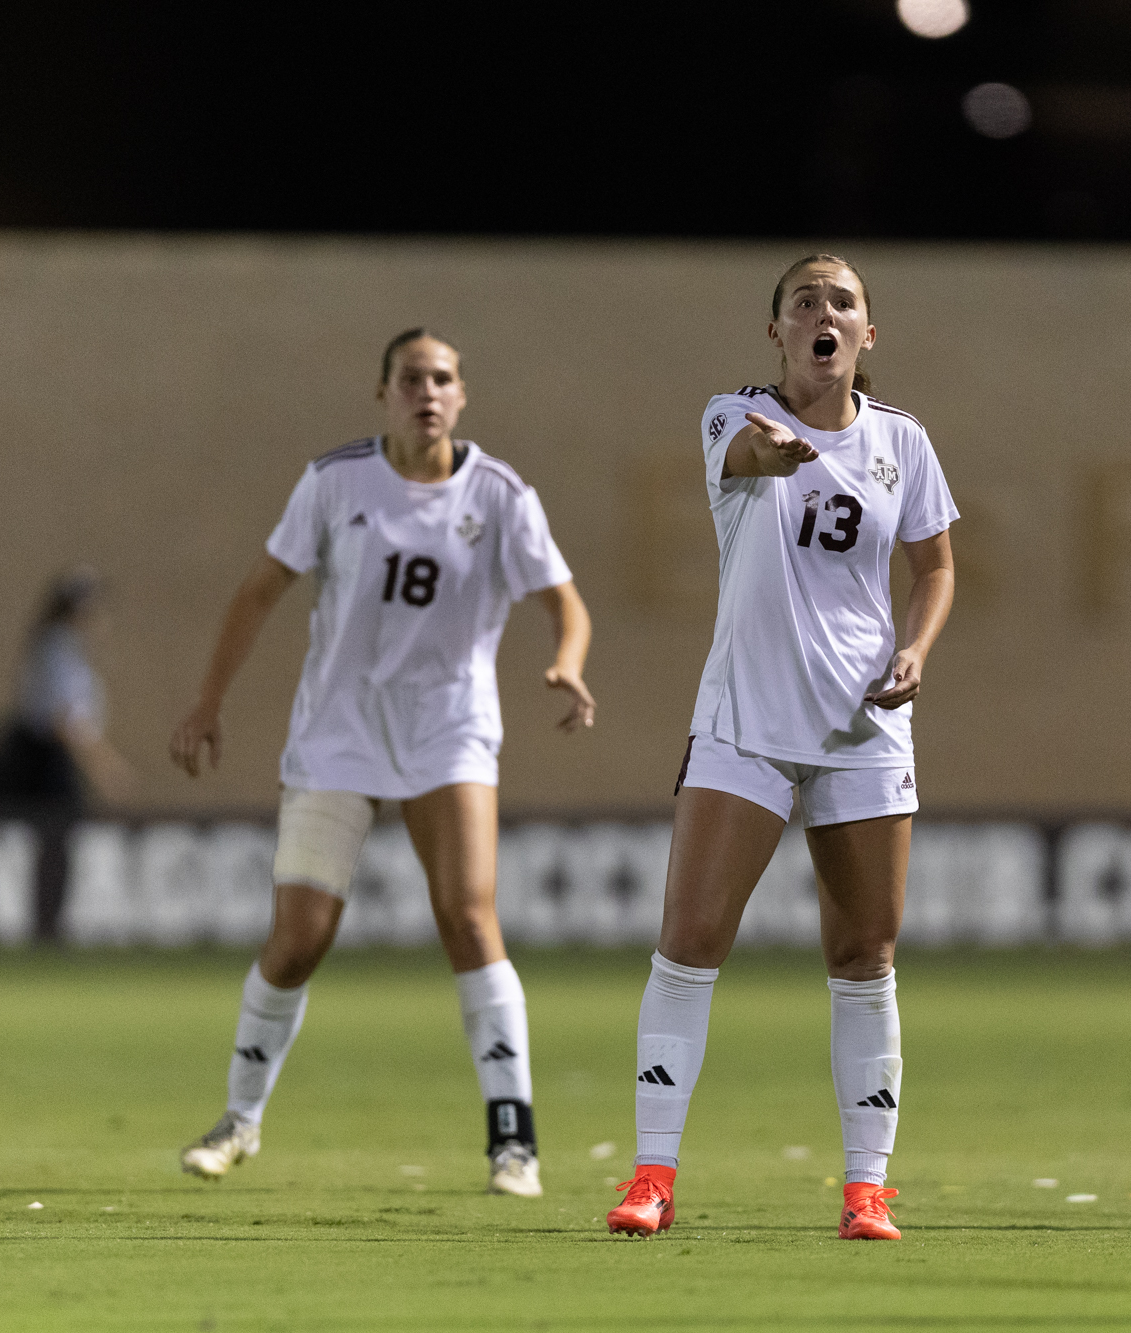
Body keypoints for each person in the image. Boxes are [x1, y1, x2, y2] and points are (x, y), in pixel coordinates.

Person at [167, 329, 596, 1198]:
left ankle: (514, 1139)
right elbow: (260, 590)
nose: (427, 392)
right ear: (383, 392)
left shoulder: (502, 494)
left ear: (462, 394)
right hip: (340, 732)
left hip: (448, 729)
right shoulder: (335, 482)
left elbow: (567, 603)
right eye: (411, 379)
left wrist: (569, 662)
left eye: (442, 378)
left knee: (470, 919)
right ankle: (240, 1117)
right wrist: (208, 699)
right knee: (298, 941)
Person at [603, 255, 957, 1242]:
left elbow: (933, 564)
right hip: (745, 723)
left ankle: (865, 1189)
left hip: (863, 727)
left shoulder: (902, 444)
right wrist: (781, 452)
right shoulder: (734, 416)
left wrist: (916, 648)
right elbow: (749, 458)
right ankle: (652, 1176)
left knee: (863, 953)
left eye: (841, 303)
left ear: (867, 335)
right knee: (691, 940)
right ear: (777, 331)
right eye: (805, 302)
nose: (823, 314)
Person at [8, 567, 138, 938]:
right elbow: (67, 721)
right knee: (54, 843)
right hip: (45, 759)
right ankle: (46, 928)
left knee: (54, 845)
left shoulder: (60, 647)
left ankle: (47, 925)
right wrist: (106, 767)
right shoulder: (59, 648)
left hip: (47, 757)